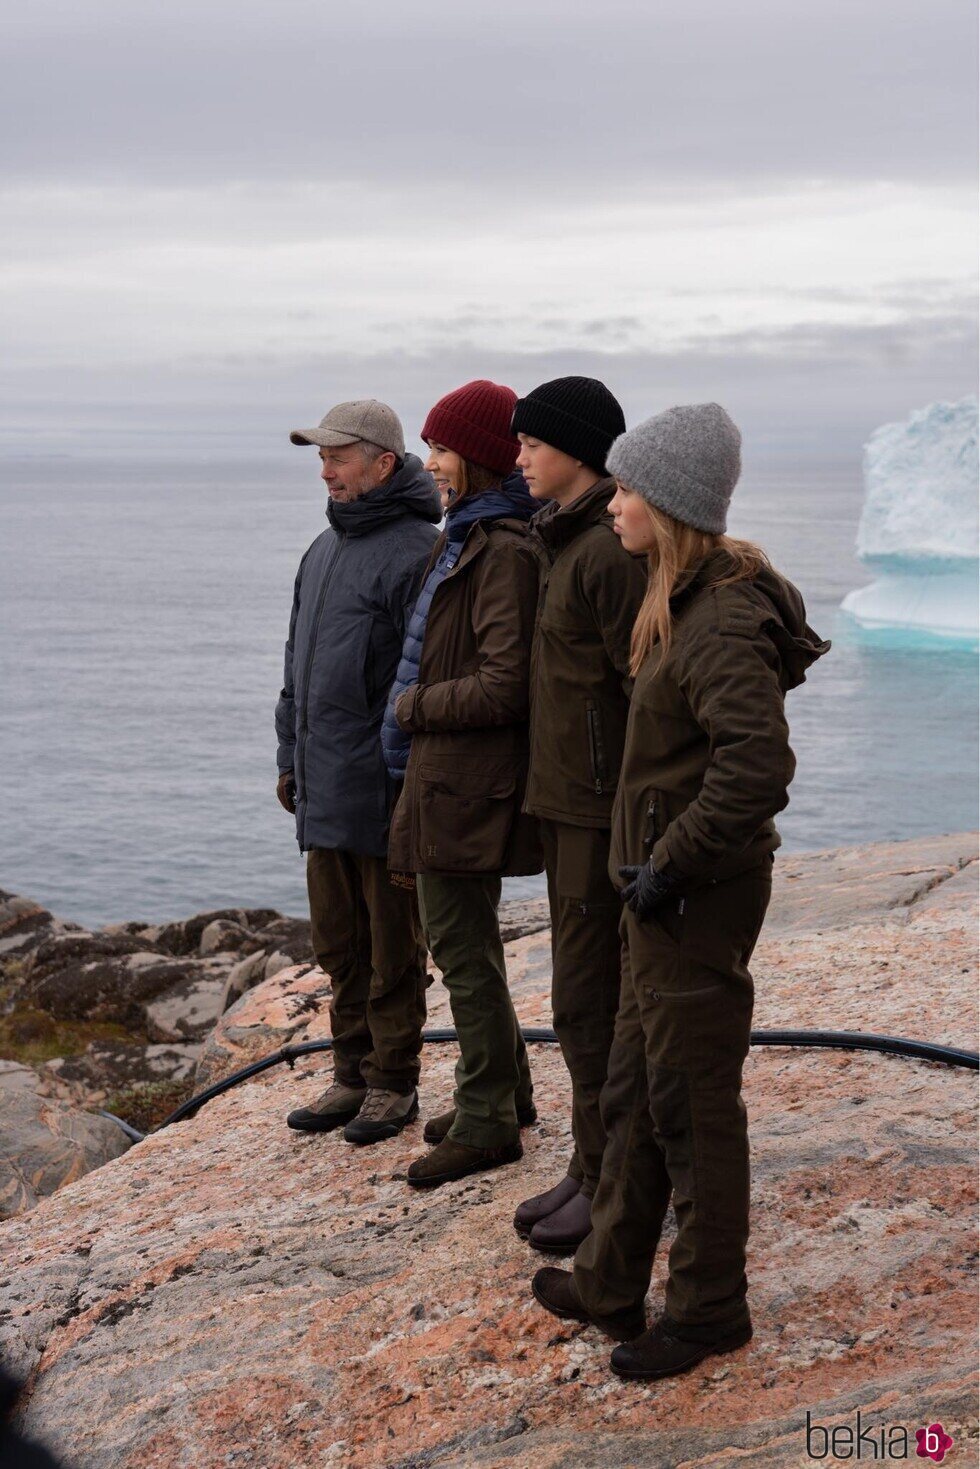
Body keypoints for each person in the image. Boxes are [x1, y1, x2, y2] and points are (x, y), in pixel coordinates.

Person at [530, 403, 829, 1380]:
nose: (613, 504)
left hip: (691, 897)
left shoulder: (722, 618)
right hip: (656, 893)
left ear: (670, 505)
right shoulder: (681, 595)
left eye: (626, 490)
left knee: (692, 1105)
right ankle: (609, 1276)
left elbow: (753, 768)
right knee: (630, 1086)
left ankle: (708, 1309)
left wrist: (671, 860)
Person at [384, 379, 544, 1188]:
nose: (430, 462)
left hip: (465, 781)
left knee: (461, 949)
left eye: (441, 448)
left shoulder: (503, 549)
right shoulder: (470, 536)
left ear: (476, 458)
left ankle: (486, 1119)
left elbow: (505, 683)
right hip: (447, 777)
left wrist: (413, 705)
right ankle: (504, 1093)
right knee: (467, 944)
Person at [277, 399, 442, 1145]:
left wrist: (409, 784)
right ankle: (350, 1072)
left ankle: (393, 1080)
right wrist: (289, 759)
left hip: (382, 788)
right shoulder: (320, 551)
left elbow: (421, 680)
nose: (325, 470)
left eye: (337, 457)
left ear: (381, 463)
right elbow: (295, 672)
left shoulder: (419, 552)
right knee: (339, 943)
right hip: (323, 785)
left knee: (391, 944)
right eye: (321, 457)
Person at [509, 377, 647, 1255]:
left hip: (601, 815)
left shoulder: (605, 550)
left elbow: (647, 695)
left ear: (579, 450)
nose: (517, 456)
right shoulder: (561, 538)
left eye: (531, 442)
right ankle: (590, 1165)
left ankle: (612, 1183)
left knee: (594, 1004)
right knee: (576, 1001)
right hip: (566, 805)